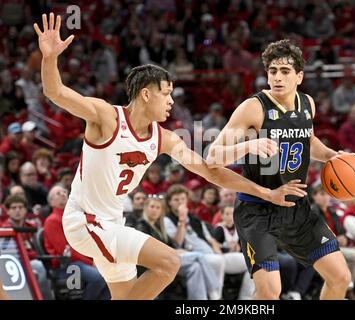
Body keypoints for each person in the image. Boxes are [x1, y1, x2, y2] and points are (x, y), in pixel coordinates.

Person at [34, 13, 304, 300]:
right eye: (167, 93)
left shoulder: (164, 138)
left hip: (112, 223)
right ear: (146, 94)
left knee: (127, 296)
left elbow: (210, 171)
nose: (172, 101)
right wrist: (49, 58)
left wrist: (265, 191)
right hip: (85, 221)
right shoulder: (107, 117)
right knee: (169, 261)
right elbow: (56, 91)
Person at [206, 39, 355, 300]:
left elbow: (308, 141)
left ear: (299, 76)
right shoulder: (253, 107)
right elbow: (212, 157)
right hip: (257, 210)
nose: (277, 77)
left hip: (296, 208)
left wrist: (336, 157)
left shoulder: (307, 103)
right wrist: (247, 146)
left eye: (285, 71)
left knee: (341, 277)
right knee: (269, 293)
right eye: (272, 71)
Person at [136, 196, 222, 300]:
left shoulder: (159, 227)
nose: (155, 210)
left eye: (158, 207)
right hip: (157, 262)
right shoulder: (142, 225)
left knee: (195, 268)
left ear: (161, 211)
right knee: (199, 256)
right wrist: (175, 251)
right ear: (145, 208)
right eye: (152, 206)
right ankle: (213, 291)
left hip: (168, 258)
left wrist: (179, 250)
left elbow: (173, 245)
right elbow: (151, 249)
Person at [44, 185, 110, 300]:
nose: (63, 194)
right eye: (58, 193)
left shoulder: (75, 217)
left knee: (112, 277)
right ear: (51, 202)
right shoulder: (52, 220)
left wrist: (97, 259)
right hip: (65, 266)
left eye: (64, 191)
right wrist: (92, 262)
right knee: (100, 277)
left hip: (80, 262)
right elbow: (67, 251)